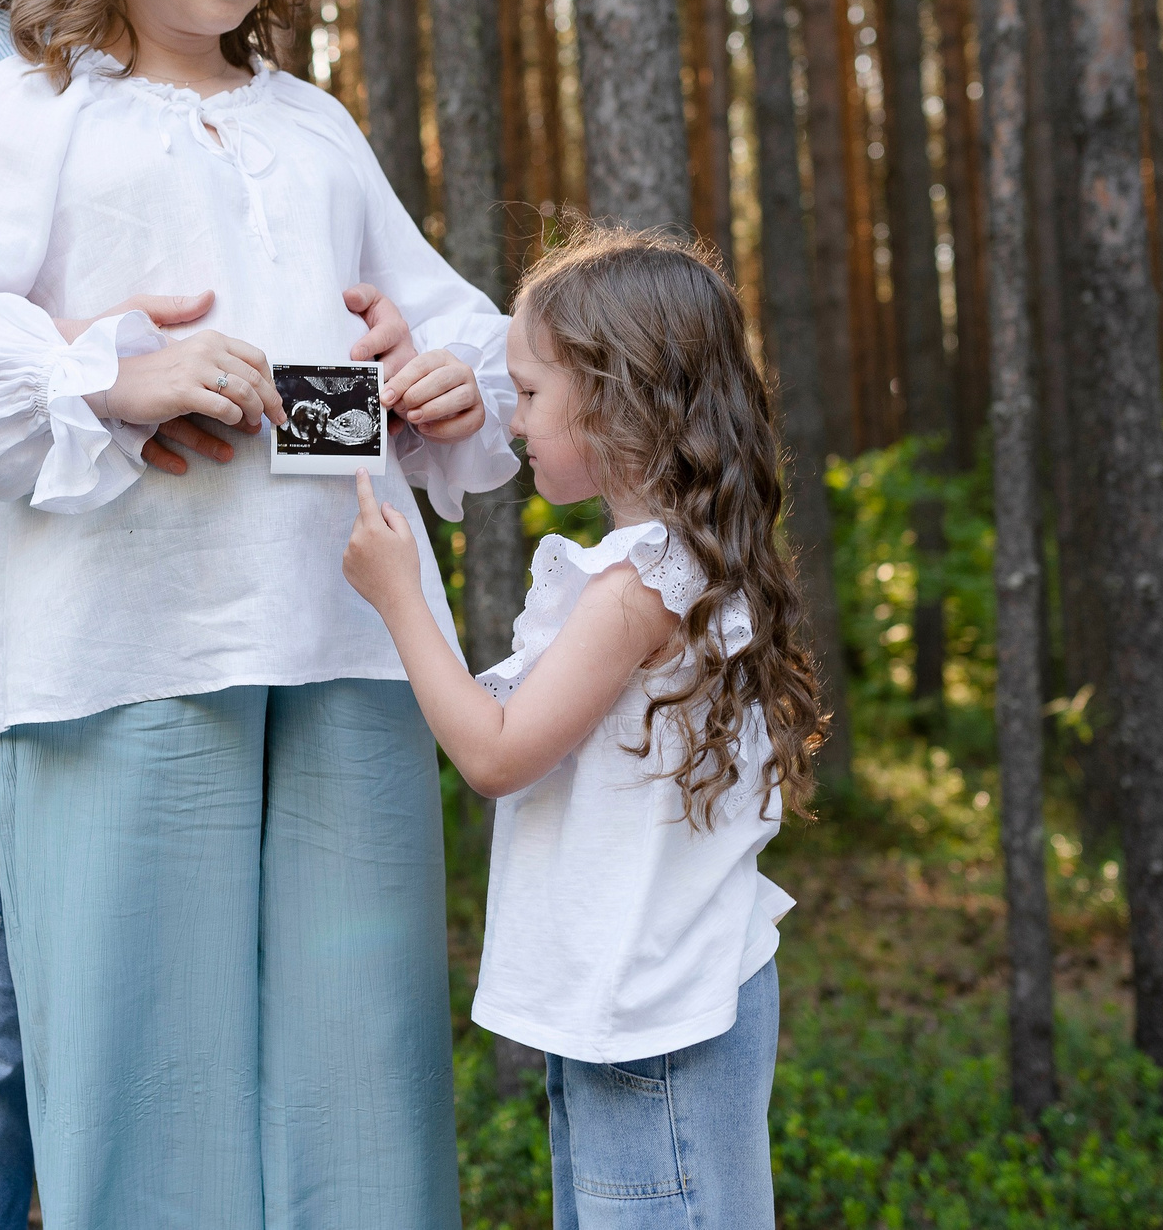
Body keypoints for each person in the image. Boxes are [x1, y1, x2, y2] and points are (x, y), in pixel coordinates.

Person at [0, 0, 518, 1228]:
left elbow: (463, 325)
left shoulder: (311, 122)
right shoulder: (26, 107)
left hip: (348, 651)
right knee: (151, 1103)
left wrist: (455, 371)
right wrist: (105, 379)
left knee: (367, 1089)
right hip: (116, 657)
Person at [340, 226, 831, 1230]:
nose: (509, 418)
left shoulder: (635, 590)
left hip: (646, 1023)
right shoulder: (682, 561)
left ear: (610, 399)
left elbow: (494, 751)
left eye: (526, 392)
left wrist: (399, 599)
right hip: (645, 999)